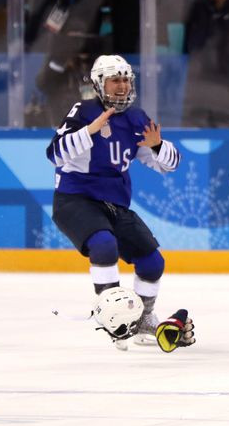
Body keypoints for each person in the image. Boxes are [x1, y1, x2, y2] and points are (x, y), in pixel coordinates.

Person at [46, 54, 181, 348]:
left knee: (153, 261)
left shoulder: (136, 118)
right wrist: (89, 131)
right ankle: (113, 318)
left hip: (114, 206)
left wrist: (158, 146)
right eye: (114, 80)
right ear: (99, 84)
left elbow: (167, 165)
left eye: (125, 80)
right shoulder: (83, 111)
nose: (121, 86)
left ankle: (143, 318)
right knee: (104, 244)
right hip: (75, 200)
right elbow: (54, 154)